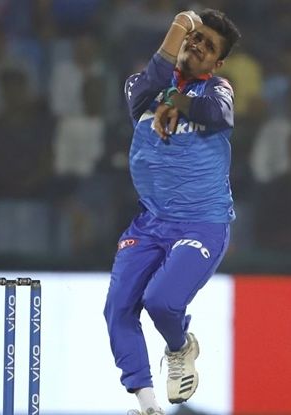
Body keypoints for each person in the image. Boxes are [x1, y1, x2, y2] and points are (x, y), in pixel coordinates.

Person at [102, 9, 240, 415]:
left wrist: (176, 102)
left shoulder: (217, 90)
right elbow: (145, 94)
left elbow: (218, 115)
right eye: (194, 38)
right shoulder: (140, 84)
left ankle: (180, 348)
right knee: (118, 308)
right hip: (149, 223)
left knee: (161, 301)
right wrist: (179, 25)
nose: (196, 46)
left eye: (207, 46)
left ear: (217, 63)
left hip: (203, 224)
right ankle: (147, 406)